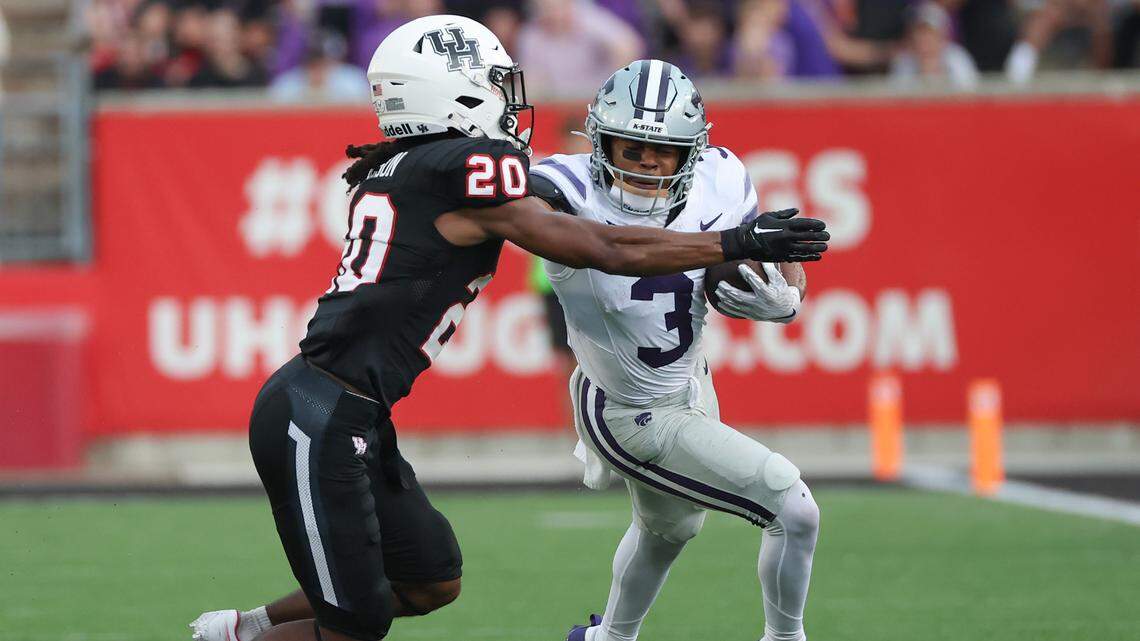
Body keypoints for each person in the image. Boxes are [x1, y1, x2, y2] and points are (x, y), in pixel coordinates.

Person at [189, 15, 829, 641]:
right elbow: (603, 248)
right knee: (357, 625)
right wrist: (734, 241)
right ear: (454, 94)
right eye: (493, 85)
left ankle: (241, 631)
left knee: (428, 580)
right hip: (317, 413)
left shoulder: (411, 165)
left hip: (354, 412)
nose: (505, 101)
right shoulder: (455, 167)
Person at [527, 60, 820, 641]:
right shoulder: (563, 188)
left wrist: (783, 299)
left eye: (662, 150)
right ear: (599, 137)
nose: (645, 162)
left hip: (690, 382)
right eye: (629, 145)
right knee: (794, 509)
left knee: (670, 528)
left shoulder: (723, 176)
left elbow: (770, 270)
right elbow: (610, 246)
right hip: (626, 407)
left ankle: (608, 637)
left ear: (693, 150)